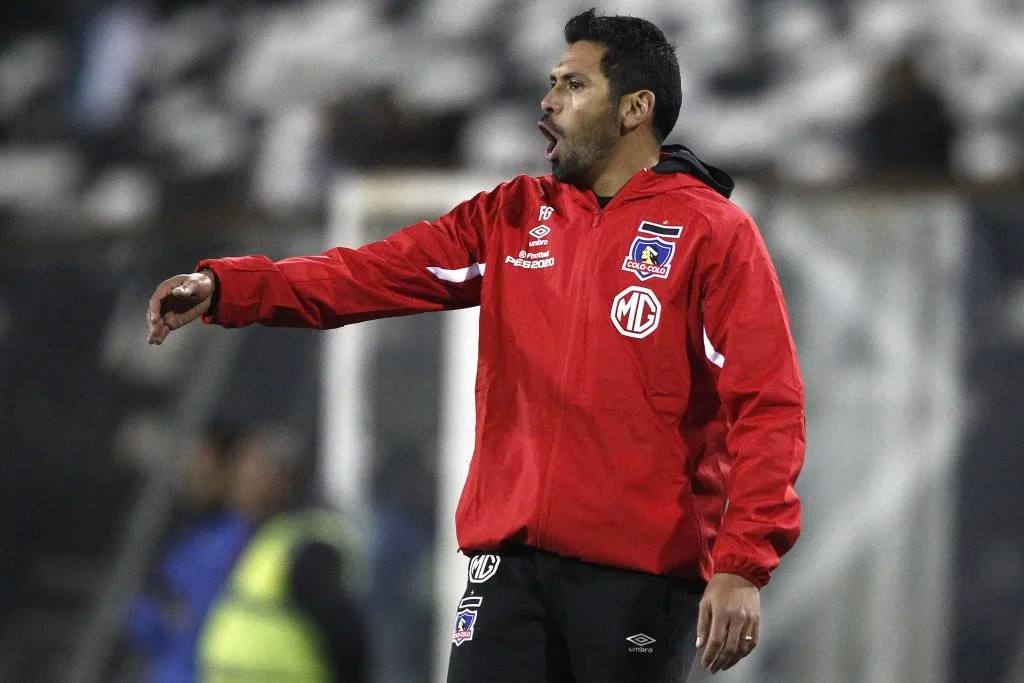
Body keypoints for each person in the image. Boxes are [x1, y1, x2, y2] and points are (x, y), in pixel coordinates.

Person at [147, 9, 805, 681]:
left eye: (574, 86)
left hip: (639, 577)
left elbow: (768, 407)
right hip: (508, 570)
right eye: (552, 83)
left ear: (635, 108)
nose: (548, 101)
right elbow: (367, 273)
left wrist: (741, 563)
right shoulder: (512, 217)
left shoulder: (712, 235)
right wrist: (228, 287)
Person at [196, 426, 367, 683]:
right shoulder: (264, 534)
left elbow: (343, 638)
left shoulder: (308, 543)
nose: (240, 482)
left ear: (282, 478)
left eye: (253, 470)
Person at [125, 420, 250, 683]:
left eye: (204, 464)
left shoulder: (239, 539)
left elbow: (199, 623)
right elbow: (147, 617)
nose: (192, 476)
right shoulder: (193, 538)